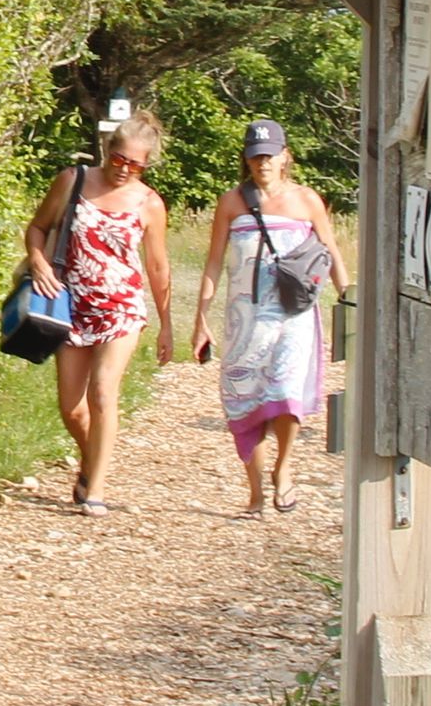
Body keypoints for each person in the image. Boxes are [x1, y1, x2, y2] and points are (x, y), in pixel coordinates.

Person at [21, 113, 173, 513]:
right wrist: (37, 262)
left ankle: (97, 489)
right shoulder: (73, 180)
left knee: (103, 391)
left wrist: (166, 324)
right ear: (107, 151)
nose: (125, 170)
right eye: (119, 159)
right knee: (71, 407)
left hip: (121, 307)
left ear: (146, 165)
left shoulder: (149, 203)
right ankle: (92, 461)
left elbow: (158, 266)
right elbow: (37, 227)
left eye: (136, 165)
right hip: (70, 304)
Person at [190, 118, 342, 515]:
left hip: (294, 314)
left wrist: (348, 295)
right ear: (247, 159)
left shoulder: (307, 200)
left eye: (270, 156)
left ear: (285, 157)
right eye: (256, 156)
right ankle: (255, 493)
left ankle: (285, 467)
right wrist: (201, 317)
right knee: (246, 401)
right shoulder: (231, 202)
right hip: (246, 318)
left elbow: (330, 248)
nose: (263, 163)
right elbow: (213, 263)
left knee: (287, 392)